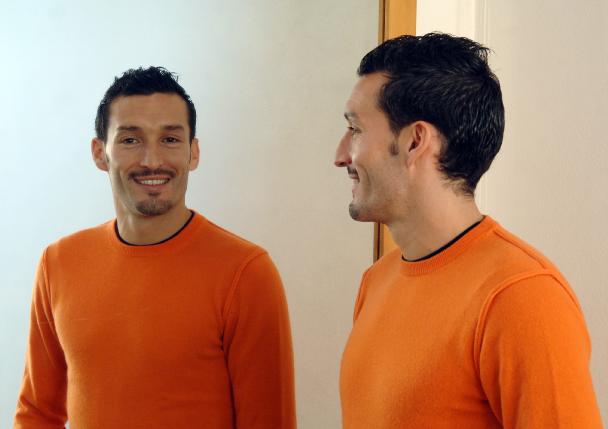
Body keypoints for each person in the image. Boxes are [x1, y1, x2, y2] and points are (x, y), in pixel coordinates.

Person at [335, 33, 603, 428]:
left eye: (355, 130)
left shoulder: (521, 296)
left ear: (415, 141)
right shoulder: (376, 282)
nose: (340, 155)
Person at [14, 67, 296, 428]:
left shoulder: (246, 273)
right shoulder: (58, 263)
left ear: (194, 153)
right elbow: (37, 413)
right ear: (100, 153)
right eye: (131, 140)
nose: (151, 160)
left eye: (170, 139)